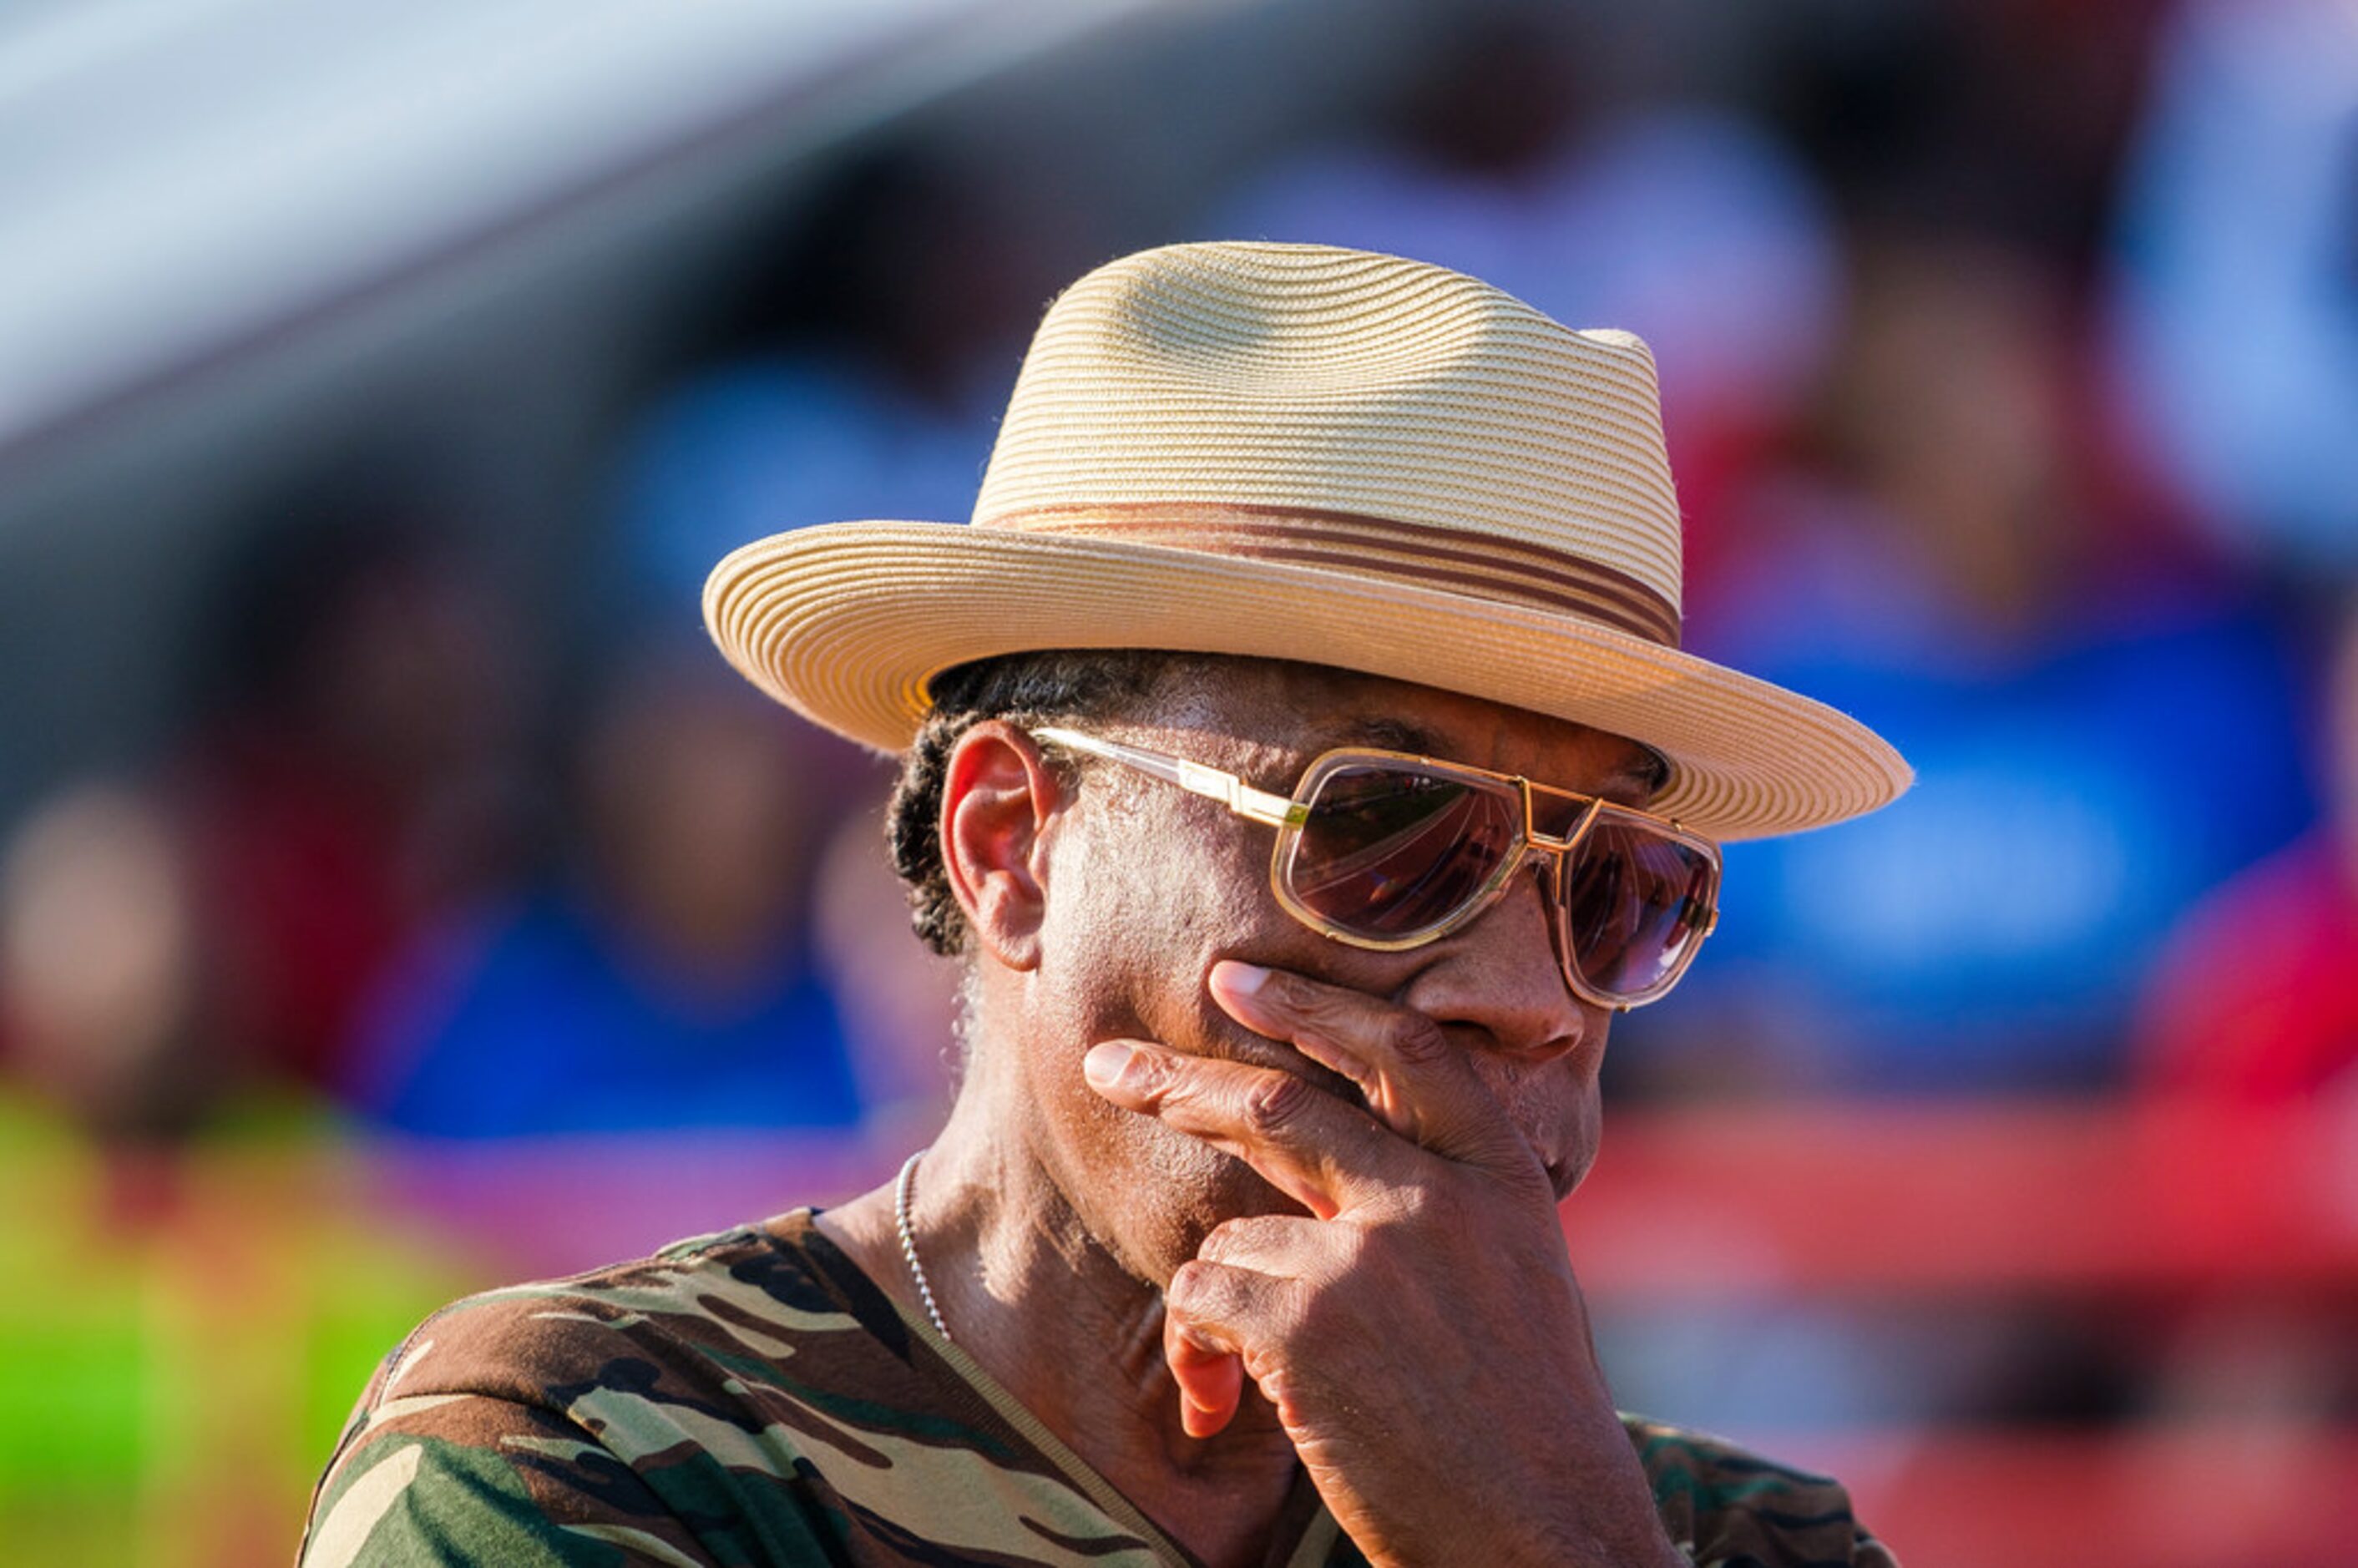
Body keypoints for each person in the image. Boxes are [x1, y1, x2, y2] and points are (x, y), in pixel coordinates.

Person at [300, 242, 1910, 1566]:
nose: (1537, 992)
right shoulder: (592, 1455)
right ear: (1013, 841)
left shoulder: (1739, 1541)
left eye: (1615, 890)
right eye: (1391, 826)